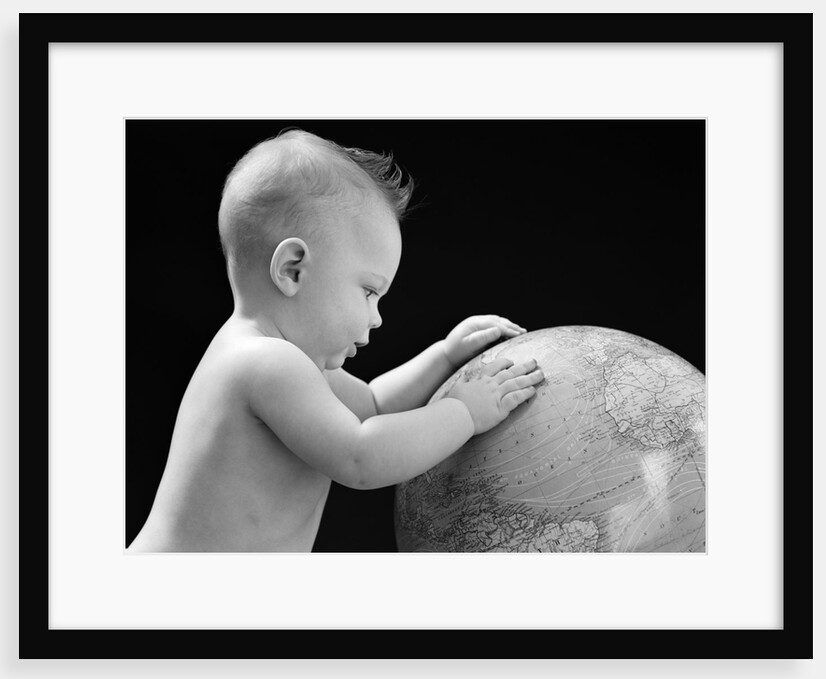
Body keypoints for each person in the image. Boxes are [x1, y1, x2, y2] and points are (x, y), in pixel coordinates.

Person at [128, 128, 545, 553]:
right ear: (293, 270)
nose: (378, 317)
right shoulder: (264, 363)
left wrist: (442, 356)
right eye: (368, 291)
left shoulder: (284, 359)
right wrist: (465, 413)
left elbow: (372, 406)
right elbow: (361, 457)